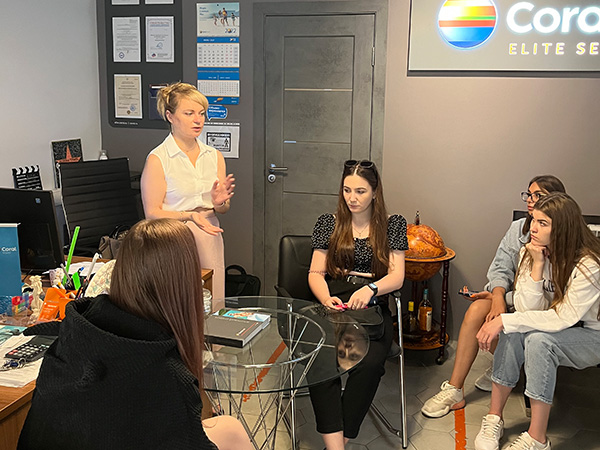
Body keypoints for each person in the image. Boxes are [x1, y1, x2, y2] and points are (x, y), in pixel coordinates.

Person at [18, 219, 252, 450]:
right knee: (232, 431)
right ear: (186, 286)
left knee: (228, 429)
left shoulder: (73, 335)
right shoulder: (168, 377)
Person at [421, 175, 566, 418]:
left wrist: (502, 299)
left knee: (512, 321)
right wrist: (497, 297)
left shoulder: (568, 240)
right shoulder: (518, 229)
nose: (530, 200)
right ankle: (455, 390)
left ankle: (507, 369)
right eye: (528, 194)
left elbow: (552, 298)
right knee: (478, 308)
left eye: (538, 196)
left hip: (547, 311)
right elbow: (500, 268)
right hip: (517, 299)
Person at [473, 193, 600, 450]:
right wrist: (538, 265)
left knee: (538, 340)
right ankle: (494, 417)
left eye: (543, 223)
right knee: (515, 331)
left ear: (562, 228)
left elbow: (564, 316)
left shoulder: (589, 264)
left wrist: (504, 321)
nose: (533, 228)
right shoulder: (532, 252)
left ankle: (537, 438)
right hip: (562, 327)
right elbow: (526, 309)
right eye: (534, 220)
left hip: (592, 334)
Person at [307, 159, 407, 449]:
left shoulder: (392, 224)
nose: (352, 198)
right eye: (347, 190)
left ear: (375, 192)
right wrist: (325, 298)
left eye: (360, 191)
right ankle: (336, 446)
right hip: (333, 302)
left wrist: (371, 288)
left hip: (371, 308)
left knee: (370, 363)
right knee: (321, 358)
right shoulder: (329, 222)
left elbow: (397, 276)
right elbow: (315, 273)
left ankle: (341, 436)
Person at [141, 82, 234, 303]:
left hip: (209, 233)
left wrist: (219, 203)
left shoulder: (214, 155)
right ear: (170, 116)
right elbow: (152, 213)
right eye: (189, 113)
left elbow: (223, 209)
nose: (198, 120)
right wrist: (190, 216)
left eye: (201, 113)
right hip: (173, 237)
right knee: (180, 301)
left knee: (212, 300)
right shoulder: (158, 159)